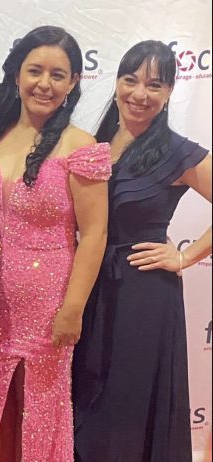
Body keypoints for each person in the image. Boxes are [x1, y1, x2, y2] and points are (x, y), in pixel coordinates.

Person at [0, 25, 111, 462]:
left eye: (58, 74)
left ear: (74, 82)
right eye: (35, 71)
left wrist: (73, 308)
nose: (44, 84)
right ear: (16, 75)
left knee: (39, 410)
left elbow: (95, 234)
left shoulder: (81, 146)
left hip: (48, 307)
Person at [72, 40, 212, 462]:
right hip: (89, 286)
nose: (140, 94)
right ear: (116, 82)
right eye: (130, 80)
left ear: (169, 92)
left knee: (130, 403)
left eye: (154, 84)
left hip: (144, 293)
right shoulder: (91, 142)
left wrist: (186, 257)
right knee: (84, 400)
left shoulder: (176, 150)